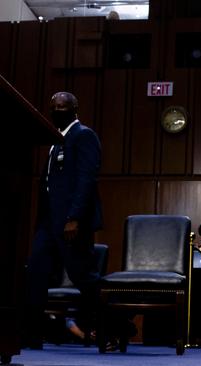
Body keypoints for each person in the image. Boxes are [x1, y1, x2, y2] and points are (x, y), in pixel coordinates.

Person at [24, 92, 103, 349]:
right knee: (35, 273)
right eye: (54, 107)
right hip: (48, 222)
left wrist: (74, 218)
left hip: (71, 223)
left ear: (75, 109)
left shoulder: (84, 135)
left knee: (83, 277)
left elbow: (86, 180)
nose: (57, 110)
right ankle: (31, 336)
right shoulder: (55, 140)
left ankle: (112, 326)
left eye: (63, 107)